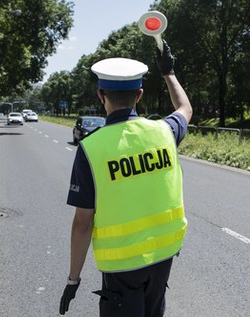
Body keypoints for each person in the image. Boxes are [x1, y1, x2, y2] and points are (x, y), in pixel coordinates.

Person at [59, 40, 193, 317]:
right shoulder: (164, 132)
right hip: (163, 254)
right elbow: (185, 108)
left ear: (100, 95)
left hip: (121, 266)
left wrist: (74, 279)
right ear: (140, 95)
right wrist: (168, 72)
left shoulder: (91, 149)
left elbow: (83, 223)